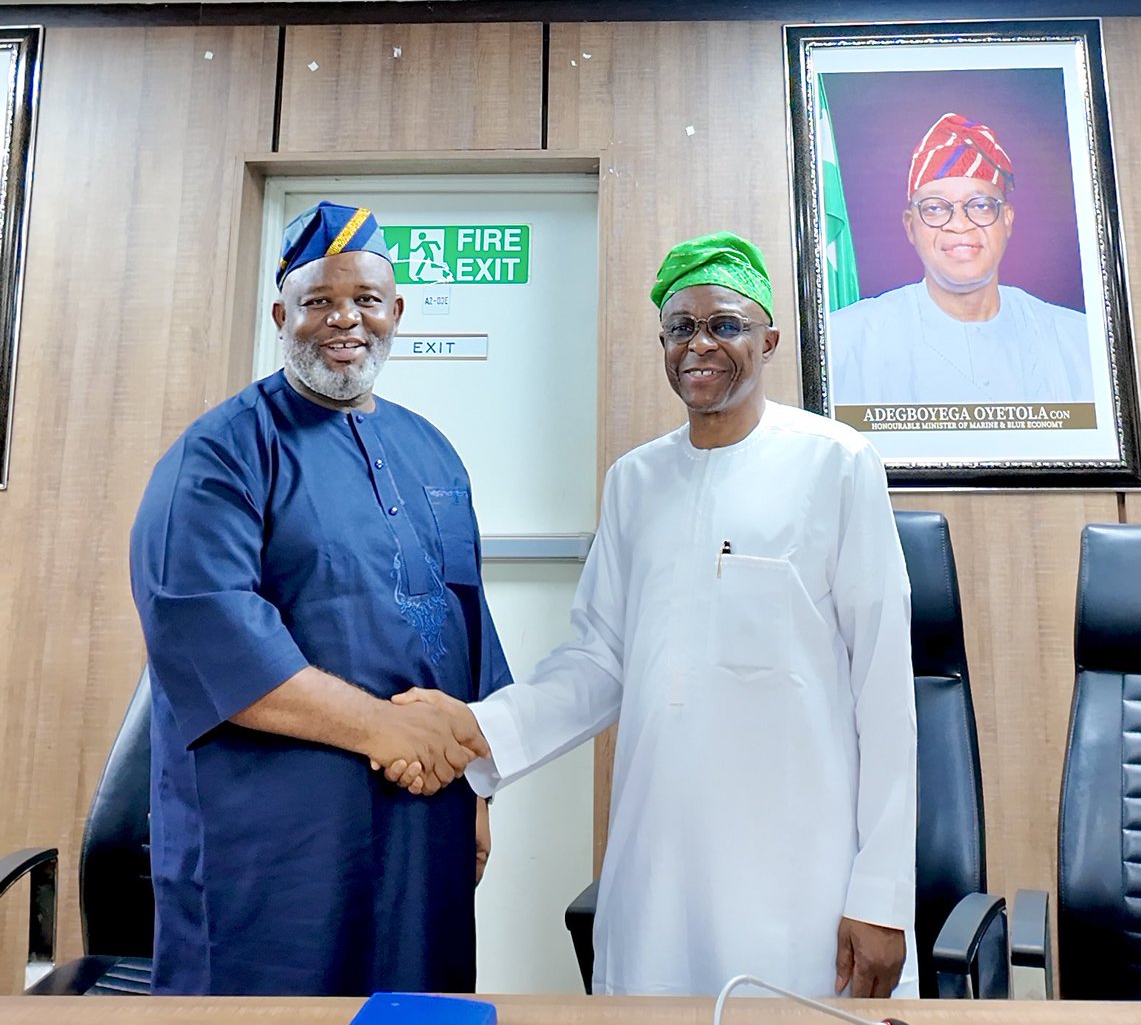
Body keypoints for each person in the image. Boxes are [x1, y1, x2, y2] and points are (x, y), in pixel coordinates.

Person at [388, 233, 918, 999]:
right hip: (656, 864)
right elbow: (598, 661)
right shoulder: (634, 480)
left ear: (767, 340)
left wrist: (879, 895)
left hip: (797, 875)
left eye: (724, 324)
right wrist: (477, 731)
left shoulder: (835, 464)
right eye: (679, 328)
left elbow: (884, 693)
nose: (699, 344)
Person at [130, 200, 510, 995]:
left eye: (367, 300)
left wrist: (476, 791)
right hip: (272, 839)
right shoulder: (219, 454)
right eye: (319, 301)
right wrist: (388, 732)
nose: (346, 320)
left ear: (395, 311)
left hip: (422, 827)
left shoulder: (430, 448)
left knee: (415, 1006)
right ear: (281, 314)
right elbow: (216, 642)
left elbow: (467, 637)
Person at [828, 112, 1094, 405]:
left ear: (1006, 219)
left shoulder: (1080, 343)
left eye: (979, 205)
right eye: (934, 208)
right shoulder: (844, 341)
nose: (959, 224)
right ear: (910, 226)